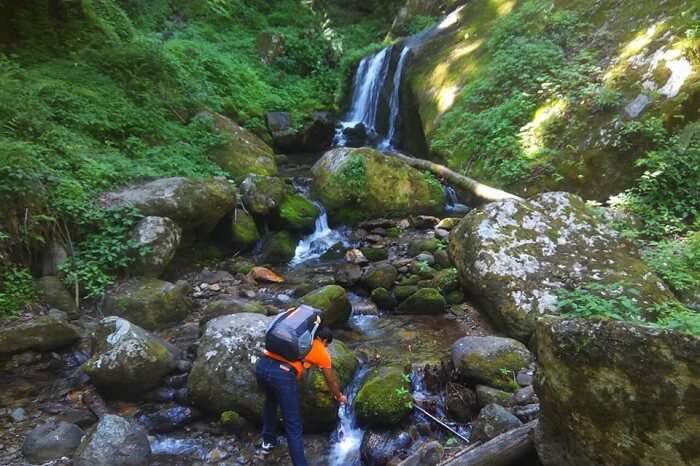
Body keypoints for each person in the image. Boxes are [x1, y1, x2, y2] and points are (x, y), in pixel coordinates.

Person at [255, 325, 347, 466]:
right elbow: (331, 381)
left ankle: (268, 442)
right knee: (293, 425)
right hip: (282, 375)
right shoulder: (321, 352)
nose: (326, 348)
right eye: (326, 344)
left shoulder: (298, 335)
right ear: (322, 340)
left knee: (270, 403)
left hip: (263, 366)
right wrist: (339, 396)